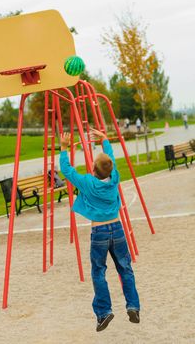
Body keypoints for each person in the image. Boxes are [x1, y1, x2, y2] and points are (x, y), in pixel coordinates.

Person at [60, 128, 140, 332]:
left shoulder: (88, 183)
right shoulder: (114, 178)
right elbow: (110, 158)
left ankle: (104, 312)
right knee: (125, 268)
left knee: (98, 271)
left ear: (93, 169)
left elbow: (67, 171)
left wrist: (63, 148)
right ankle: (133, 306)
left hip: (100, 232)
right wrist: (105, 140)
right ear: (109, 169)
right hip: (118, 228)